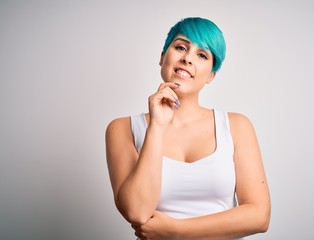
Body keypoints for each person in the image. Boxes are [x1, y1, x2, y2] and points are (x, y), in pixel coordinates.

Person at [106, 17, 271, 240]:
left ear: (211, 75)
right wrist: (156, 126)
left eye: (202, 55)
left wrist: (175, 231)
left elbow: (259, 216)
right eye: (181, 47)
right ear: (163, 57)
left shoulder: (236, 126)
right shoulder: (122, 128)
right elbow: (137, 211)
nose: (187, 58)